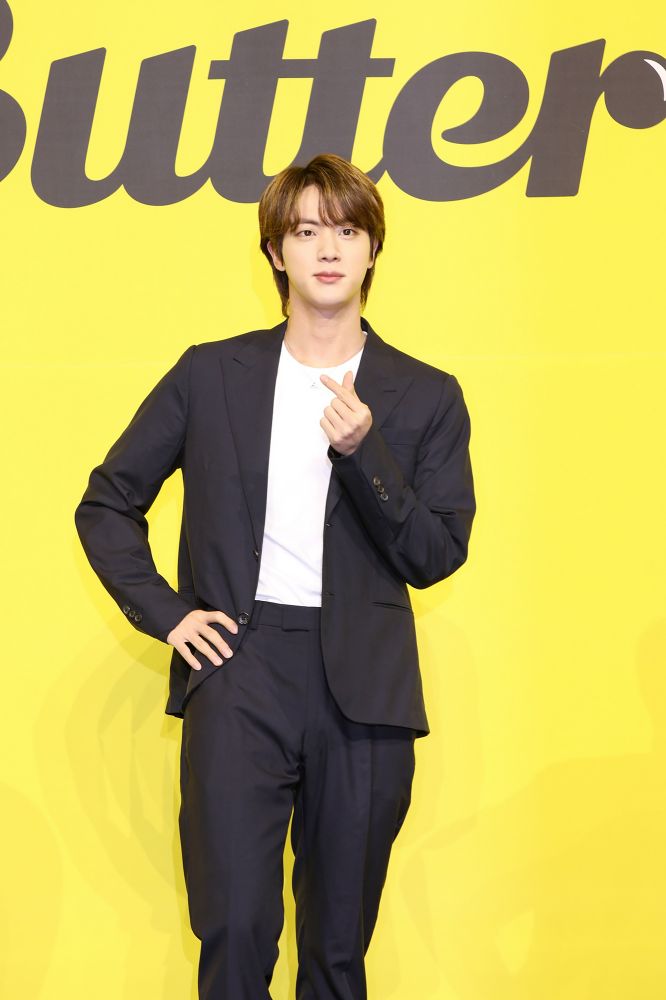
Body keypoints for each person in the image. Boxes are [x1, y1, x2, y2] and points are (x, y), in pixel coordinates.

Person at [74, 152, 476, 999]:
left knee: (336, 953)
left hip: (364, 692)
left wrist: (366, 454)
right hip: (240, 671)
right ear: (275, 252)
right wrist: (170, 615)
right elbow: (107, 503)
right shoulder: (209, 373)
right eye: (306, 231)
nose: (328, 249)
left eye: (348, 231)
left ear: (373, 251)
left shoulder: (425, 394)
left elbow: (437, 553)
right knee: (235, 932)